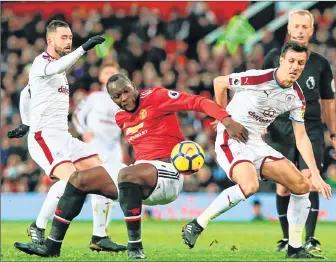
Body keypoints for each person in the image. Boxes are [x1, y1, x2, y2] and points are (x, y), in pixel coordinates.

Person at [14, 74, 248, 259]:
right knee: (78, 180)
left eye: (126, 91)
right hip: (140, 176)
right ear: (113, 99)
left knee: (127, 173)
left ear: (133, 86)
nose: (124, 98)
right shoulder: (120, 118)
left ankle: (135, 247)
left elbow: (198, 102)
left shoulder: (156, 97)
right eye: (117, 96)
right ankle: (52, 245)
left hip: (169, 175)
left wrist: (227, 121)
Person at [182, 42, 332, 259]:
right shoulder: (258, 78)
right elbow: (220, 82)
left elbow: (301, 136)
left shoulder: (297, 97)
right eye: (290, 61)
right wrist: (224, 118)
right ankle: (196, 224)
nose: (295, 67)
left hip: (256, 143)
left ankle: (295, 248)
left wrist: (316, 175)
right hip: (232, 137)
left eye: (300, 63)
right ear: (281, 61)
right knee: (250, 185)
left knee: (301, 185)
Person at [7, 20, 125, 252]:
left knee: (103, 173)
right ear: (50, 40)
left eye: (70, 37)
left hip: (64, 137)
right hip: (44, 137)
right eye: (64, 37)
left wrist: (24, 121)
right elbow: (55, 69)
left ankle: (99, 236)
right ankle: (38, 226)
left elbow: (25, 93)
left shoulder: (58, 72)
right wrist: (83, 48)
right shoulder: (42, 63)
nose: (69, 41)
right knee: (72, 181)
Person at [261, 10, 336, 252]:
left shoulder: (320, 63)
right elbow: (262, 91)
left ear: (311, 31)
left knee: (310, 178)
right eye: (295, 26)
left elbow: (328, 101)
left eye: (304, 27)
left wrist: (334, 135)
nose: (299, 30)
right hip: (280, 126)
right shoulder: (274, 57)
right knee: (283, 185)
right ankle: (287, 239)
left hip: (311, 127)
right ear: (288, 28)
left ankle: (310, 238)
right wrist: (262, 122)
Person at [72, 62, 123, 241]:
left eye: (113, 72)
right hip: (96, 145)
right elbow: (77, 115)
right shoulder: (94, 97)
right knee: (98, 187)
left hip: (114, 146)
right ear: (101, 77)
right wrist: (84, 131)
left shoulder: (124, 98)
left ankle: (104, 230)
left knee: (118, 188)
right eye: (107, 72)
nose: (109, 74)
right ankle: (98, 232)